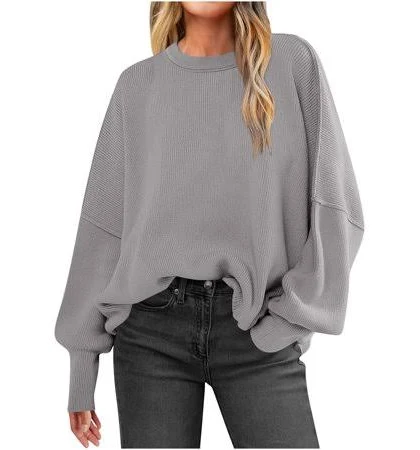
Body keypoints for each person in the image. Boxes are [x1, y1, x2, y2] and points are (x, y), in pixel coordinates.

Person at [54, 1, 365, 448]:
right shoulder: (137, 86)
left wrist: (288, 322)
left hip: (256, 325)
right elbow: (104, 231)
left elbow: (336, 207)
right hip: (150, 333)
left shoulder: (291, 63)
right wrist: (82, 365)